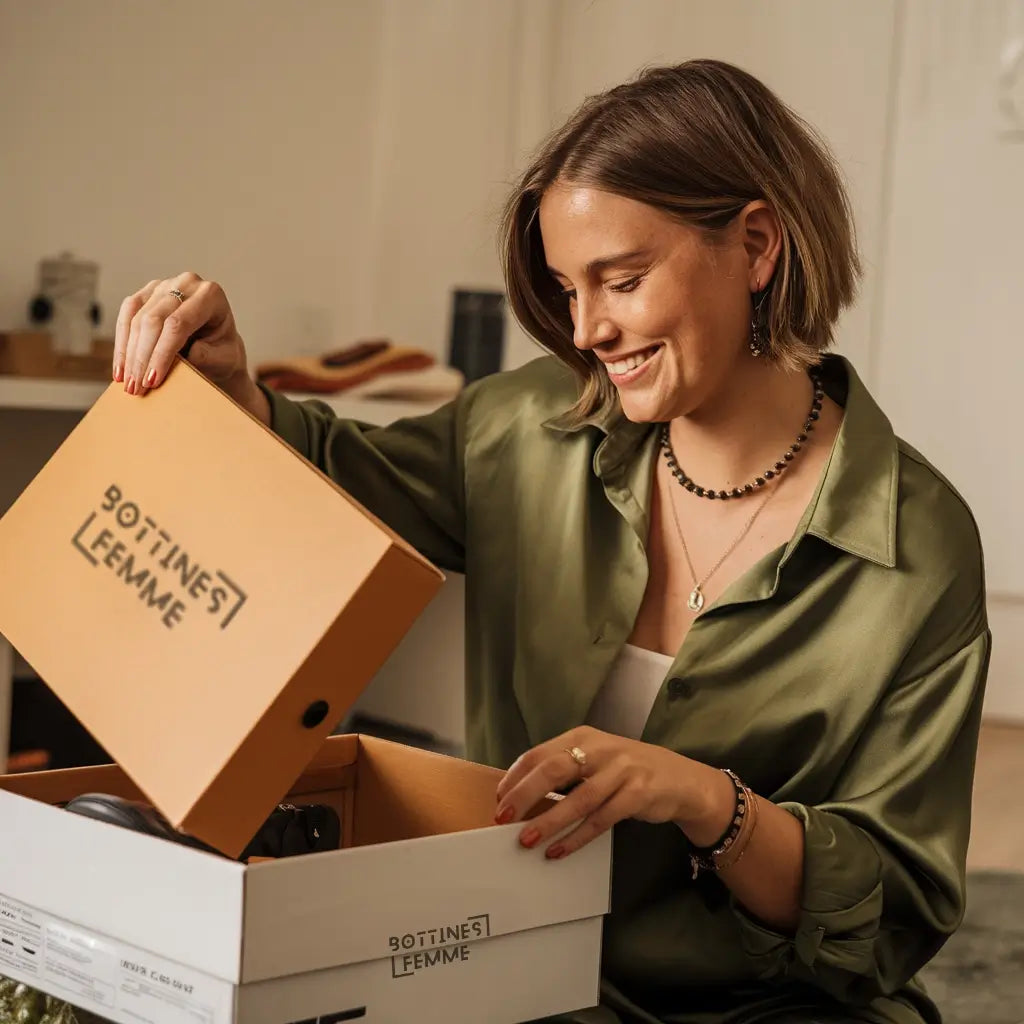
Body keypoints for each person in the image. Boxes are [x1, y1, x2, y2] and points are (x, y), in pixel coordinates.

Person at [109, 59, 989, 1024]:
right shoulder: (529, 429)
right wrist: (233, 390)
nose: (588, 330)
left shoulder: (918, 544)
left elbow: (893, 908)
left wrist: (709, 801)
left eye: (621, 279)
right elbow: (341, 481)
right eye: (568, 289)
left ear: (757, 245)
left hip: (760, 1005)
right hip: (494, 967)